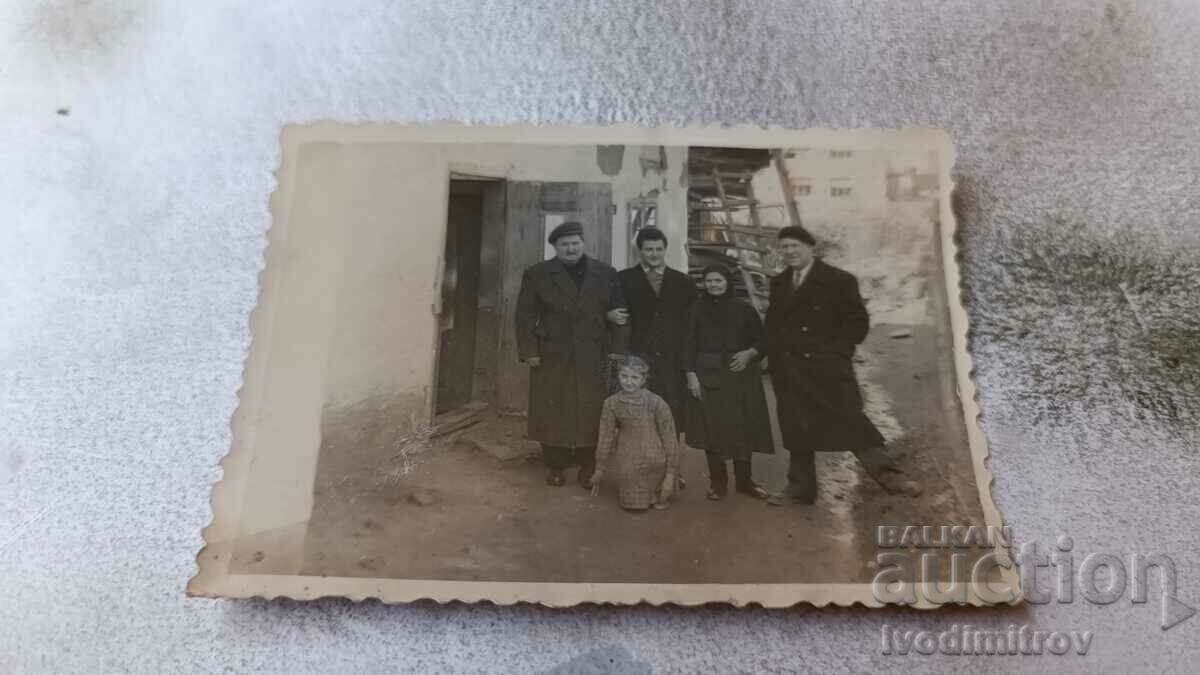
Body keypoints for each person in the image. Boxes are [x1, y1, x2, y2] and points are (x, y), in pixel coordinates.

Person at [763, 225, 922, 506]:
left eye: (794, 246)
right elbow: (773, 325)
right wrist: (773, 356)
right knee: (796, 428)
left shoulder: (839, 280)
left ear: (811, 247)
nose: (789, 252)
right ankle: (800, 489)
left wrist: (836, 354)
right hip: (789, 369)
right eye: (784, 247)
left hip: (827, 369)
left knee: (850, 420)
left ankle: (891, 478)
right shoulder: (778, 283)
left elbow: (857, 322)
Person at [515, 221, 628, 488]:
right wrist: (529, 351)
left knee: (591, 407)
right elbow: (524, 316)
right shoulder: (537, 274)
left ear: (583, 243)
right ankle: (555, 465)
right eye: (564, 244)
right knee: (552, 407)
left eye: (575, 243)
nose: (571, 248)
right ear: (555, 247)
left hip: (593, 352)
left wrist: (618, 351)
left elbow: (621, 315)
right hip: (553, 352)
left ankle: (588, 465)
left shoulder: (606, 273)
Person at [683, 264, 773, 500]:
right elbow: (688, 344)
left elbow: (763, 342)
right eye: (709, 281)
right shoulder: (696, 309)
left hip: (740, 374)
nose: (713, 285)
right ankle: (718, 483)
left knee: (742, 428)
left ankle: (745, 482)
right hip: (708, 374)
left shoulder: (744, 309)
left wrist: (749, 354)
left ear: (727, 282)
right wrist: (691, 374)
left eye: (718, 280)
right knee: (711, 430)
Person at [616, 227, 693, 491]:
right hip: (639, 360)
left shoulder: (682, 282)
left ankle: (673, 470)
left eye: (659, 249)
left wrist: (687, 363)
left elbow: (691, 325)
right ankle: (644, 471)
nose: (654, 254)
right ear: (640, 251)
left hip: (672, 361)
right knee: (640, 415)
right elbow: (616, 316)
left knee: (671, 415)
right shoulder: (623, 279)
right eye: (649, 249)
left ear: (665, 249)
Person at [589, 356, 679, 511]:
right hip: (628, 456)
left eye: (635, 377)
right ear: (618, 376)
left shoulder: (657, 402)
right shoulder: (611, 403)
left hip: (656, 458)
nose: (629, 382)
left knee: (662, 497)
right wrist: (599, 469)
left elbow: (670, 439)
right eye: (624, 376)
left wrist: (671, 474)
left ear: (643, 379)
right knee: (632, 504)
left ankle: (661, 488)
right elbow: (605, 437)